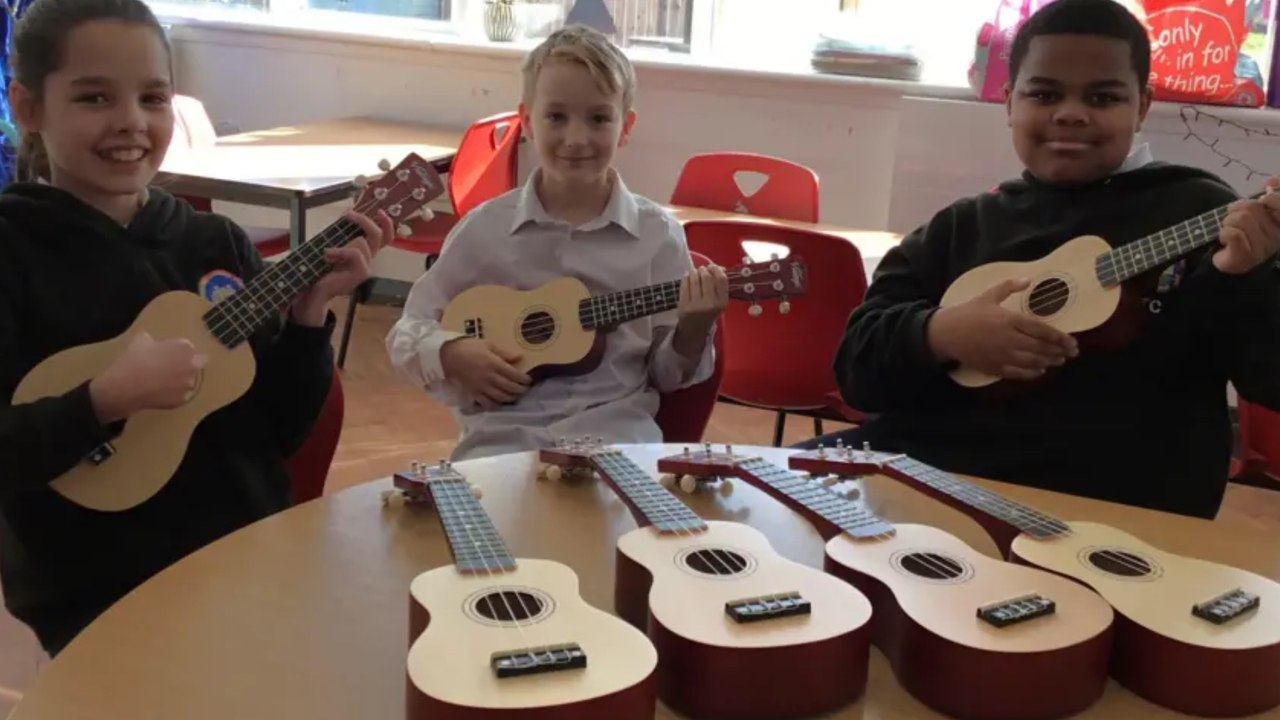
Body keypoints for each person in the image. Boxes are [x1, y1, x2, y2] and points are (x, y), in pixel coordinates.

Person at [0, 0, 391, 656]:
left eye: (153, 97)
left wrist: (306, 317)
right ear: (29, 106)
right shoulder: (14, 254)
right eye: (95, 96)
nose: (130, 122)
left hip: (250, 556)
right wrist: (104, 401)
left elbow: (278, 430)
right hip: (102, 592)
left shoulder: (214, 243)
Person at [807, 0, 1280, 519]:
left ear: (1142, 106)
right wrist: (939, 333)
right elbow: (856, 371)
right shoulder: (963, 225)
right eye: (1044, 93)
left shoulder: (1202, 211)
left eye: (1102, 97)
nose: (1071, 112)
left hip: (1116, 510)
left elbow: (1269, 382)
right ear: (1009, 102)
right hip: (938, 482)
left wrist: (1241, 278)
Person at [387, 24, 727, 462]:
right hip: (499, 445)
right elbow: (405, 333)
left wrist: (694, 328)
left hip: (616, 444)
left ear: (626, 126)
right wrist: (450, 352)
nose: (576, 139)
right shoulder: (484, 231)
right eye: (556, 116)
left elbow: (667, 375)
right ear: (527, 121)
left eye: (599, 118)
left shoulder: (657, 237)